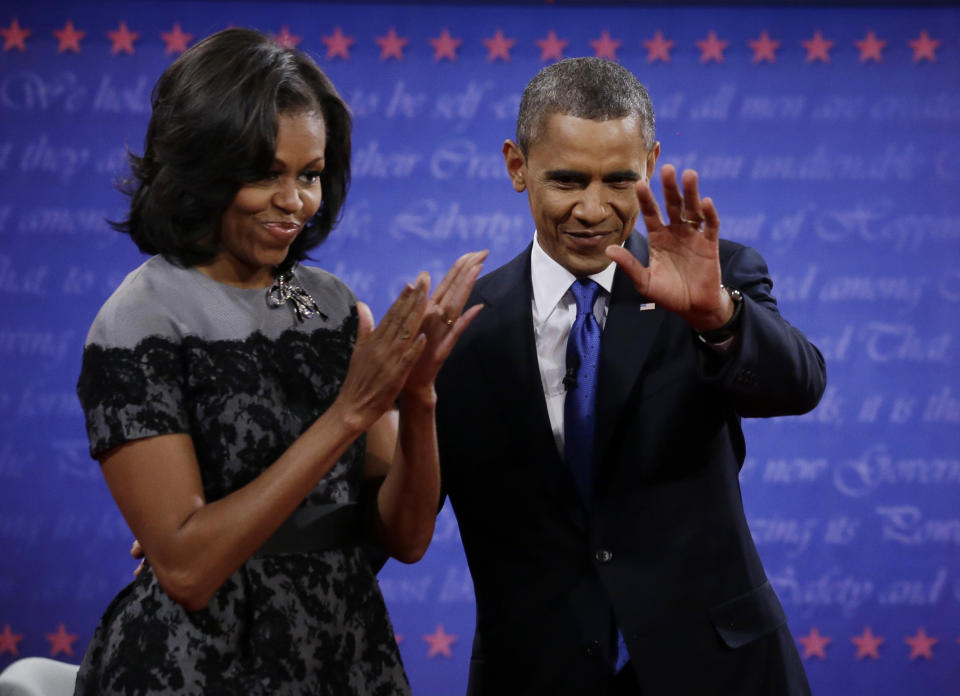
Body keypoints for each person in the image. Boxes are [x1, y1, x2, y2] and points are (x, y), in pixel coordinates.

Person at [74, 28, 485, 695]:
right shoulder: (140, 319)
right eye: (266, 173)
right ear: (201, 167)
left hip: (346, 657)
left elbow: (405, 537)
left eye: (310, 175)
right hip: (195, 665)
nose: (295, 201)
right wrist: (349, 414)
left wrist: (416, 397)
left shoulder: (328, 307)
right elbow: (185, 568)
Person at [435, 58, 825, 695]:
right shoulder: (463, 328)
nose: (593, 210)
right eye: (565, 180)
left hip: (720, 671)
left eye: (619, 180)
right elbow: (407, 519)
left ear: (651, 162)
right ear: (516, 166)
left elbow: (799, 386)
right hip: (537, 675)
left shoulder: (712, 278)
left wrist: (719, 316)